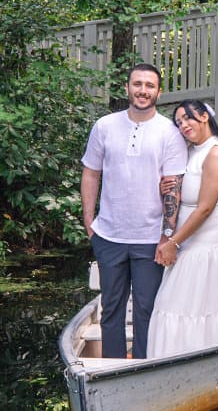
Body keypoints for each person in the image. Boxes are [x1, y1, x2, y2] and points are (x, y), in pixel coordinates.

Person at [80, 63, 188, 359]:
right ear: (127, 88)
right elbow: (91, 173)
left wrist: (167, 235)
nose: (143, 90)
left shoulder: (170, 133)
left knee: (146, 310)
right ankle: (112, 369)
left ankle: (142, 368)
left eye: (149, 85)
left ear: (159, 92)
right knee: (111, 310)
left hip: (150, 239)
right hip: (109, 236)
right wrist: (89, 222)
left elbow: (173, 188)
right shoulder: (104, 126)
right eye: (137, 84)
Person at [147, 100, 218, 359]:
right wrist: (165, 189)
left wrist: (173, 243)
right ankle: (172, 363)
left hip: (210, 245)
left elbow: (204, 208)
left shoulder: (216, 154)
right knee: (176, 305)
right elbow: (183, 194)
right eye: (179, 122)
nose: (183, 125)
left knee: (196, 307)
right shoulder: (192, 151)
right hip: (189, 241)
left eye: (188, 118)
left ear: (204, 117)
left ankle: (203, 361)